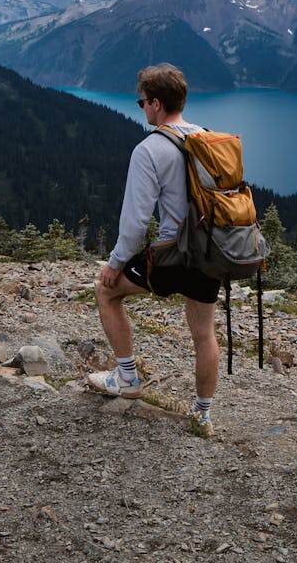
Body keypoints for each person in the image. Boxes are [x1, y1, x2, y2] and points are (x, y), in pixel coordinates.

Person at [87, 63, 220, 437]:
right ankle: (202, 416)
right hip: (210, 253)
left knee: (107, 292)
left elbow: (134, 224)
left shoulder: (150, 150)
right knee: (204, 333)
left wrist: (114, 264)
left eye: (142, 101)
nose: (141, 107)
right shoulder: (207, 138)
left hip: (173, 254)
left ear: (157, 104)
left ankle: (126, 378)